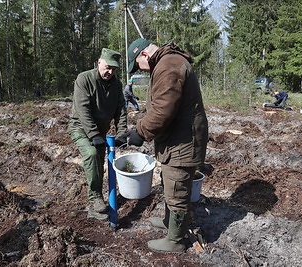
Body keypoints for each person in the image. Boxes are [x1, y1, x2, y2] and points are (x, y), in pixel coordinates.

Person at [123, 38, 209, 252]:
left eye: (137, 65)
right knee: (170, 182)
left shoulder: (168, 65)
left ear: (143, 55)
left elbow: (163, 110)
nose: (139, 70)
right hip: (177, 138)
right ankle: (170, 224)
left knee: (177, 187)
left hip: (183, 141)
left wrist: (140, 132)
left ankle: (176, 240)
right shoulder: (167, 62)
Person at [67, 48, 128, 221]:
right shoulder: (84, 79)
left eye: (114, 69)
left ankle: (95, 207)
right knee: (92, 155)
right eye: (108, 67)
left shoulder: (116, 84)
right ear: (99, 62)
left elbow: (120, 110)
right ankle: (94, 199)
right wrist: (93, 134)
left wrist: (122, 132)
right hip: (80, 127)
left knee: (99, 165)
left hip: (100, 131)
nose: (110, 72)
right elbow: (83, 109)